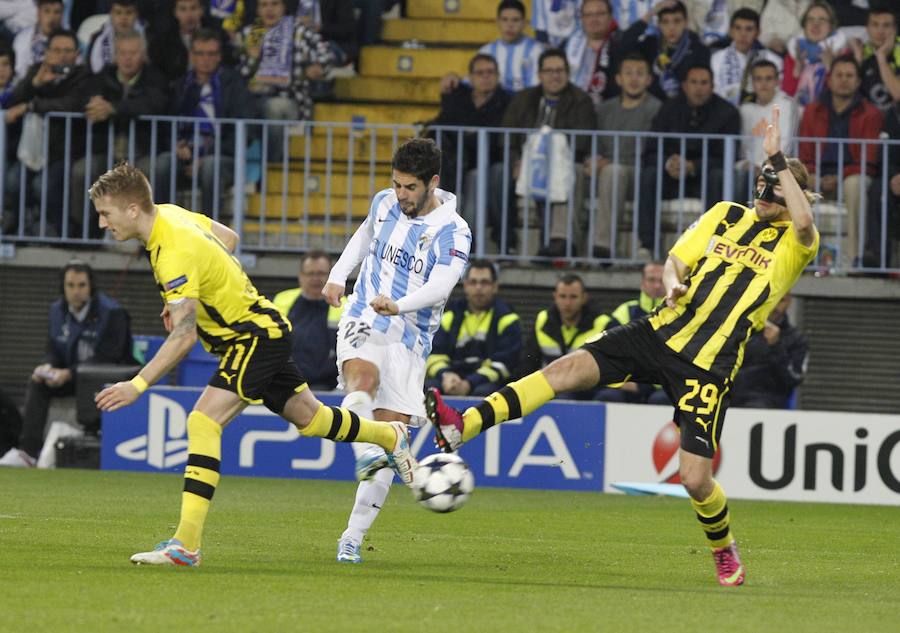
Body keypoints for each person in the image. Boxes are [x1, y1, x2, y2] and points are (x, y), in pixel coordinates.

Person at [426, 104, 820, 587]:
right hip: (659, 331)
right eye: (762, 180)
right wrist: (673, 282)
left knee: (695, 479)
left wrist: (780, 159)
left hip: (708, 366)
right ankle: (461, 425)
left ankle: (723, 549)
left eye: (774, 186)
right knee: (565, 370)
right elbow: (677, 260)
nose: (763, 191)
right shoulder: (724, 216)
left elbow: (802, 223)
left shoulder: (795, 243)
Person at [90, 163, 419, 567]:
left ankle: (186, 544)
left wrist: (137, 385)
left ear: (134, 208)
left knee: (203, 422)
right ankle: (390, 436)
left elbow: (183, 336)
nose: (102, 223)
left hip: (251, 338)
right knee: (312, 421)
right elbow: (228, 237)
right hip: (263, 330)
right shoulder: (171, 214)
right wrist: (190, 295)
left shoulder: (171, 247)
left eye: (106, 213)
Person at [322, 138, 471, 563]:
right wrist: (337, 275)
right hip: (365, 314)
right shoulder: (384, 202)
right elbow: (364, 236)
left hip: (410, 336)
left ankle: (351, 537)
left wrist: (400, 304)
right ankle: (366, 449)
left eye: (409, 187)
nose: (400, 194)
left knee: (392, 438)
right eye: (396, 184)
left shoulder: (453, 230)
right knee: (361, 379)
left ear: (433, 183)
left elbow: (442, 285)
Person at [0, 261, 136, 468]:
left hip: (106, 381)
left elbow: (110, 357)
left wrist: (69, 373)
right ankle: (28, 453)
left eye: (81, 285)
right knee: (37, 383)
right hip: (71, 377)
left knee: (97, 380)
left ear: (91, 286)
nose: (76, 291)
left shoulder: (112, 313)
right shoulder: (57, 310)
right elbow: (53, 349)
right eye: (70, 285)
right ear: (63, 287)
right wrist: (47, 367)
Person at [637, 63, 741, 257]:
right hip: (671, 178)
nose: (698, 88)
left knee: (718, 176)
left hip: (705, 179)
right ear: (684, 86)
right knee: (649, 174)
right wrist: (669, 163)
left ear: (712, 85)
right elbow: (652, 148)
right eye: (694, 82)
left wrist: (694, 166)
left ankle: (711, 245)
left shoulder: (727, 113)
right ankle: (647, 245)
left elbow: (728, 157)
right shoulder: (668, 109)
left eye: (704, 83)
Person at [71, 30, 168, 236]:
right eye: (122, 53)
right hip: (105, 151)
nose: (127, 58)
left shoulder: (155, 78)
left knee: (149, 170)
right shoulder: (101, 78)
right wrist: (93, 105)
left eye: (133, 53)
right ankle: (84, 233)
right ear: (115, 55)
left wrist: (114, 109)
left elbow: (154, 103)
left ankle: (148, 235)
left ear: (142, 55)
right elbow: (83, 99)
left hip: (142, 151)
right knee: (83, 170)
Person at [503, 48, 596, 258]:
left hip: (565, 163)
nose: (555, 76)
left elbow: (582, 142)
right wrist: (515, 162)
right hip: (528, 165)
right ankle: (505, 243)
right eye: (550, 71)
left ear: (568, 73)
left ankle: (558, 241)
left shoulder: (581, 100)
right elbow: (507, 138)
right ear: (540, 74)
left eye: (560, 71)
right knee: (501, 173)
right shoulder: (524, 99)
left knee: (568, 173)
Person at [154, 29, 257, 215]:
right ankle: (160, 236)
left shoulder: (234, 85)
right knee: (163, 162)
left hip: (222, 156)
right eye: (200, 54)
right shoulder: (180, 85)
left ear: (219, 56)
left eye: (211, 54)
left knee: (211, 165)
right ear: (191, 55)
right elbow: (165, 126)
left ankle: (210, 237)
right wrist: (175, 146)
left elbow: (245, 132)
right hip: (184, 154)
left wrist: (207, 155)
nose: (205, 59)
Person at [797, 55, 882, 268]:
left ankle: (855, 261)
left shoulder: (871, 114)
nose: (844, 80)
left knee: (856, 184)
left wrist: (839, 178)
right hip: (817, 176)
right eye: (839, 75)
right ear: (829, 79)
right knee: (793, 182)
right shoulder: (811, 111)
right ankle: (798, 261)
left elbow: (869, 162)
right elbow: (804, 156)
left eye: (850, 75)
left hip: (850, 177)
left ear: (858, 81)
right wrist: (816, 179)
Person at [5, 28, 90, 237]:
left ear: (77, 54)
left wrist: (32, 106)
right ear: (47, 52)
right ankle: (21, 228)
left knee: (43, 185)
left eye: (68, 50)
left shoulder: (84, 76)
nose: (62, 55)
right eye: (57, 50)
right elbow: (14, 100)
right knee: (14, 180)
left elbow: (71, 104)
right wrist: (36, 83)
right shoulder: (37, 71)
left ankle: (62, 231)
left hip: (67, 151)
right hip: (32, 149)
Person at [428, 53, 511, 247]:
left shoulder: (506, 102)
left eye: (490, 72)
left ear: (498, 76)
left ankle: (466, 237)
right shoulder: (459, 98)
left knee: (475, 178)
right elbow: (441, 125)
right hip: (454, 163)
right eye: (480, 73)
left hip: (486, 163)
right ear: (471, 77)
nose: (485, 77)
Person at [590, 52, 661, 259]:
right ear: (618, 78)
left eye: (640, 74)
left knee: (613, 171)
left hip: (636, 172)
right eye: (628, 73)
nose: (633, 79)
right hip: (605, 171)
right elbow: (594, 144)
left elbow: (651, 151)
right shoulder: (604, 109)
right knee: (573, 172)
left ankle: (604, 245)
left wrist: (608, 163)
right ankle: (565, 245)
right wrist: (592, 161)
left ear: (649, 79)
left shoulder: (656, 108)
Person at [425, 260, 522, 397]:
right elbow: (434, 354)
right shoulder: (449, 316)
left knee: (483, 392)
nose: (478, 288)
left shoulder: (508, 319)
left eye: (484, 282)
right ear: (465, 285)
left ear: (495, 286)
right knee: (429, 389)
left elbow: (505, 363)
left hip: (486, 382)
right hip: (451, 378)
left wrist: (469, 383)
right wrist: (446, 375)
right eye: (473, 282)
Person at [519, 273, 607, 399]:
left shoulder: (602, 323)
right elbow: (528, 363)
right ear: (555, 297)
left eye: (573, 297)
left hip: (586, 389)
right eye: (562, 296)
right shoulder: (543, 320)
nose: (567, 303)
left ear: (584, 298)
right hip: (549, 386)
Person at [594, 260, 669, 403]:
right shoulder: (624, 312)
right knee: (608, 396)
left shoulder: (681, 313)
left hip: (666, 386)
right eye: (651, 280)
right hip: (630, 384)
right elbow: (607, 354)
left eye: (662, 280)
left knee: (660, 399)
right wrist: (623, 383)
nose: (657, 285)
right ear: (642, 283)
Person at [272, 250, 345, 391]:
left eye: (321, 273)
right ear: (300, 276)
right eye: (310, 274)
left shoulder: (344, 307)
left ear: (331, 276)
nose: (316, 279)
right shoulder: (281, 300)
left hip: (327, 388)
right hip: (286, 385)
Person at [441, 0, 542, 96]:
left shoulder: (536, 51)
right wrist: (453, 78)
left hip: (524, 108)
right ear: (497, 22)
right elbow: (471, 82)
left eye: (515, 20)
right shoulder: (486, 51)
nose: (510, 25)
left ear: (524, 23)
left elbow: (536, 89)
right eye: (504, 20)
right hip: (494, 107)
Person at [621, 0, 711, 100]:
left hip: (684, 106)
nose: (671, 27)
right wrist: (650, 14)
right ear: (659, 24)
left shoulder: (699, 50)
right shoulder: (651, 44)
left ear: (686, 23)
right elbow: (624, 44)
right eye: (665, 22)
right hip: (652, 106)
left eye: (677, 21)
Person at [737, 59, 800, 202]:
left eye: (768, 78)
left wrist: (767, 166)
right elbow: (742, 146)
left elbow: (788, 144)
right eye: (758, 79)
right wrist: (748, 164)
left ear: (777, 81)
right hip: (750, 170)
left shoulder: (787, 104)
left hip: (780, 167)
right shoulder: (745, 109)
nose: (764, 84)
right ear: (752, 83)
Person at [731, 294, 809, 409]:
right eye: (773, 299)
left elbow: (795, 378)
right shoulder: (743, 330)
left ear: (789, 302)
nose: (775, 305)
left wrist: (776, 346)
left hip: (769, 402)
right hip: (730, 396)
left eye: (781, 300)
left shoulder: (796, 339)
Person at [148, 0, 234, 84]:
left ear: (201, 11)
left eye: (193, 8)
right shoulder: (162, 42)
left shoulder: (218, 34)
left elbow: (228, 66)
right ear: (175, 13)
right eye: (183, 9)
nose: (189, 15)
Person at [709, 8, 782, 106]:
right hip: (726, 116)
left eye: (749, 29)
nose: (743, 34)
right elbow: (712, 94)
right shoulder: (717, 59)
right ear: (731, 31)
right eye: (738, 28)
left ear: (757, 33)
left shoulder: (774, 60)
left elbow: (778, 96)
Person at [783, 0, 849, 107]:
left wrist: (830, 69)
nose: (815, 25)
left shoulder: (843, 54)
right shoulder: (794, 53)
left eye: (822, 20)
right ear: (804, 25)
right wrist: (797, 71)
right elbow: (786, 97)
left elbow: (842, 99)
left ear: (831, 26)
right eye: (810, 20)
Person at [563, 0, 620, 110]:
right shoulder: (567, 46)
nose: (594, 19)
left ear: (610, 16)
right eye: (588, 15)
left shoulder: (621, 45)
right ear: (582, 19)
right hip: (571, 111)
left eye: (600, 14)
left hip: (609, 112)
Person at [850, 3, 900, 112]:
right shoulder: (861, 52)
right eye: (875, 25)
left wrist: (881, 57)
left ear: (895, 30)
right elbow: (845, 97)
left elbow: (898, 94)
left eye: (886, 25)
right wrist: (857, 61)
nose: (880, 31)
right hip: (869, 122)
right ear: (867, 29)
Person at [86, 0, 144, 73]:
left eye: (129, 13)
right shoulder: (97, 38)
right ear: (111, 15)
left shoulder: (147, 38)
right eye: (118, 13)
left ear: (136, 15)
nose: (123, 18)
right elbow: (89, 73)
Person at [12, 0, 63, 78]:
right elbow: (20, 69)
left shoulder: (69, 40)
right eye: (47, 11)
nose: (51, 17)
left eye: (56, 12)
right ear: (38, 13)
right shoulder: (23, 38)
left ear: (62, 15)